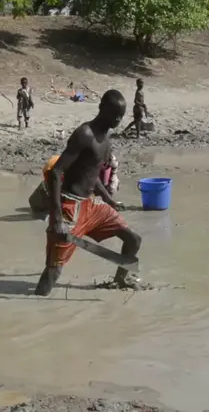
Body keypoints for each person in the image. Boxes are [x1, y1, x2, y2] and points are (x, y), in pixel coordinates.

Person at [36, 90, 142, 296]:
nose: (118, 119)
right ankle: (36, 302)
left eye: (122, 115)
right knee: (54, 269)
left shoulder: (106, 140)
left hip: (92, 204)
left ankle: (121, 279)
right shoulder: (85, 134)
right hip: (70, 207)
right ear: (102, 108)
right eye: (115, 114)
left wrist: (109, 200)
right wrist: (56, 216)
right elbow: (57, 172)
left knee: (133, 240)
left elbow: (92, 176)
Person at [29, 151, 121, 219]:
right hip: (43, 197)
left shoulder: (85, 167)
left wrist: (109, 200)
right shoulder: (54, 169)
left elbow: (96, 182)